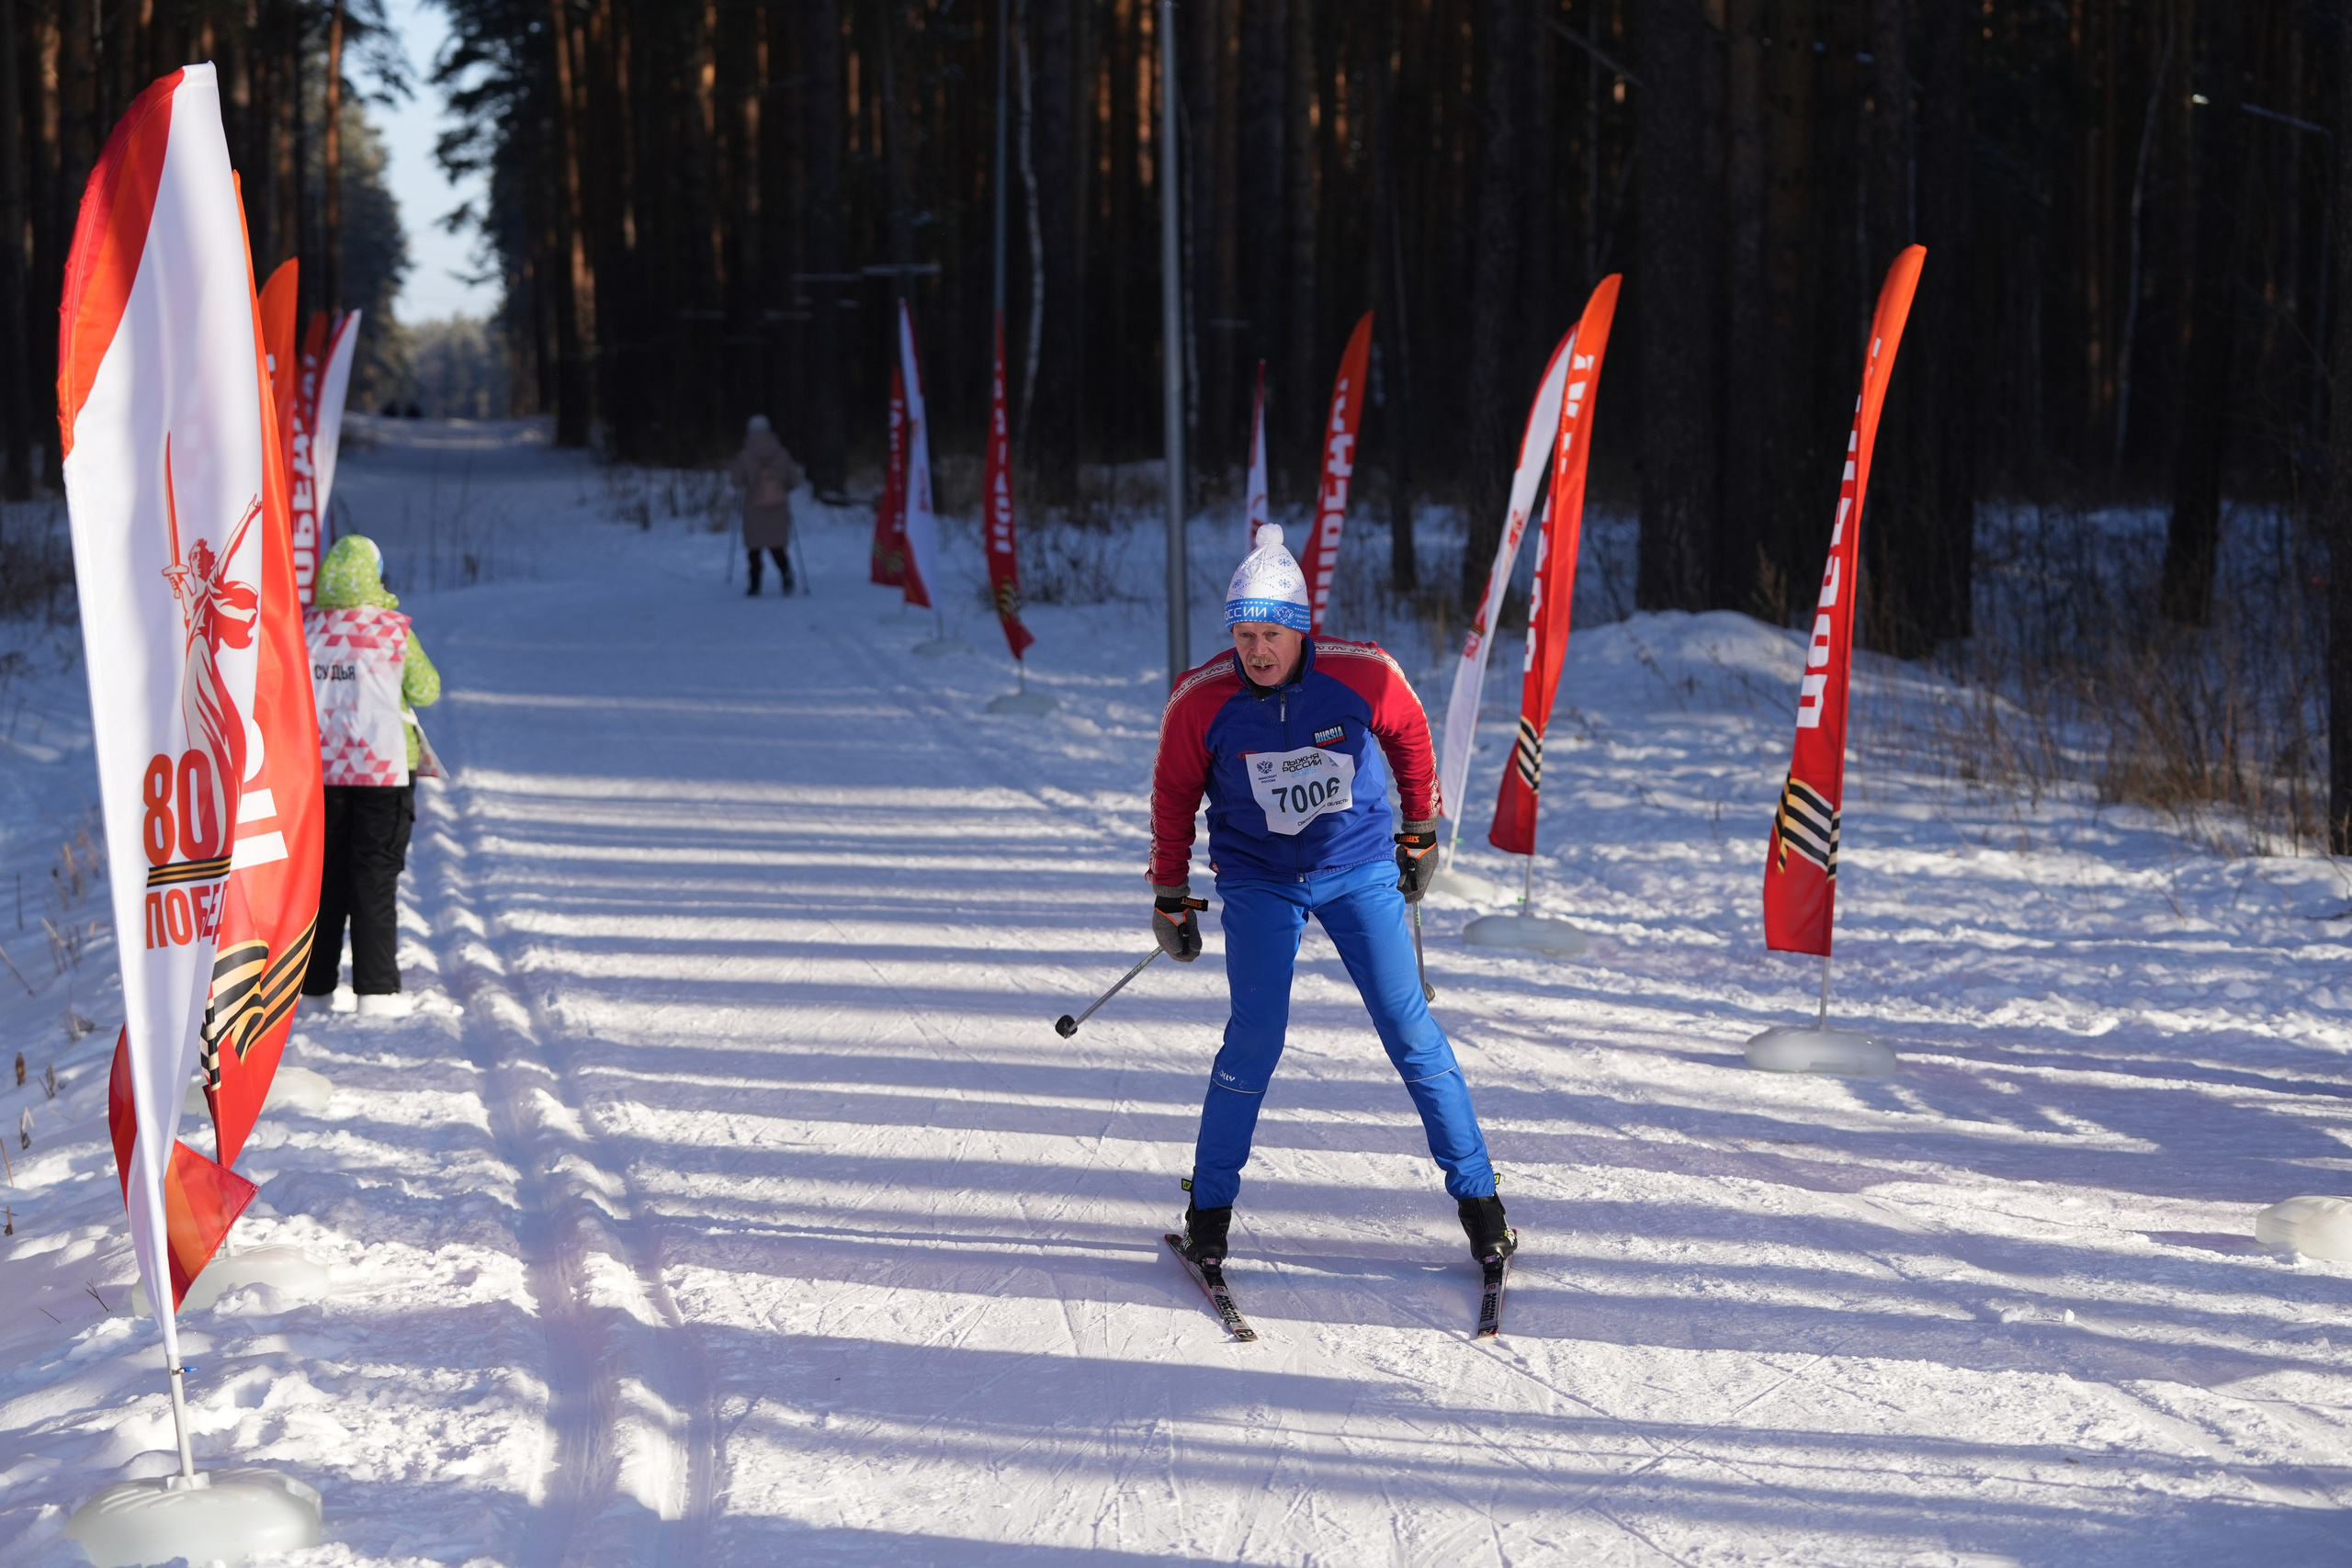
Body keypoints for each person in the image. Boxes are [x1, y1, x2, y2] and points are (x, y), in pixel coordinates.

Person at [1148, 524, 1513, 1271]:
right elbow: (1173, 795)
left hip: (1357, 868)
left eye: (1272, 633)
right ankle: (1209, 1213)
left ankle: (1482, 1204)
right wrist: (1170, 892)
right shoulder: (1201, 699)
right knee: (1255, 1040)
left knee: (1410, 1032)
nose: (1257, 651)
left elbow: (1410, 733)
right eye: (1245, 634)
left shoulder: (1363, 672)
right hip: (1258, 878)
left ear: (1300, 627)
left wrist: (1421, 829)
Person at [300, 536, 441, 1018]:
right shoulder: (393, 630)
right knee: (375, 878)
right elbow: (426, 690)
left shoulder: (304, 631)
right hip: (383, 774)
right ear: (374, 574)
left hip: (318, 777)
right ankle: (375, 994)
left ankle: (314, 991)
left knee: (323, 881)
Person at [731, 414, 801, 595]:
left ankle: (755, 585)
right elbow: (795, 480)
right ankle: (786, 575)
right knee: (777, 544)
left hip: (753, 507)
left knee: (754, 547)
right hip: (777, 506)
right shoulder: (782, 453)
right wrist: (781, 487)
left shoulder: (744, 456)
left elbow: (736, 482)